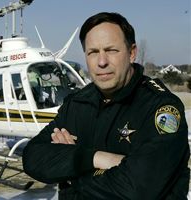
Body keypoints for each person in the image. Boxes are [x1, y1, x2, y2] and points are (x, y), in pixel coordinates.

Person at [22, 12, 190, 199]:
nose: (101, 62)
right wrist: (94, 158)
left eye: (111, 50)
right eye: (93, 52)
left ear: (132, 53)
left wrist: (73, 174)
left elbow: (137, 189)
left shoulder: (159, 107)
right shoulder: (78, 104)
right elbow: (32, 157)